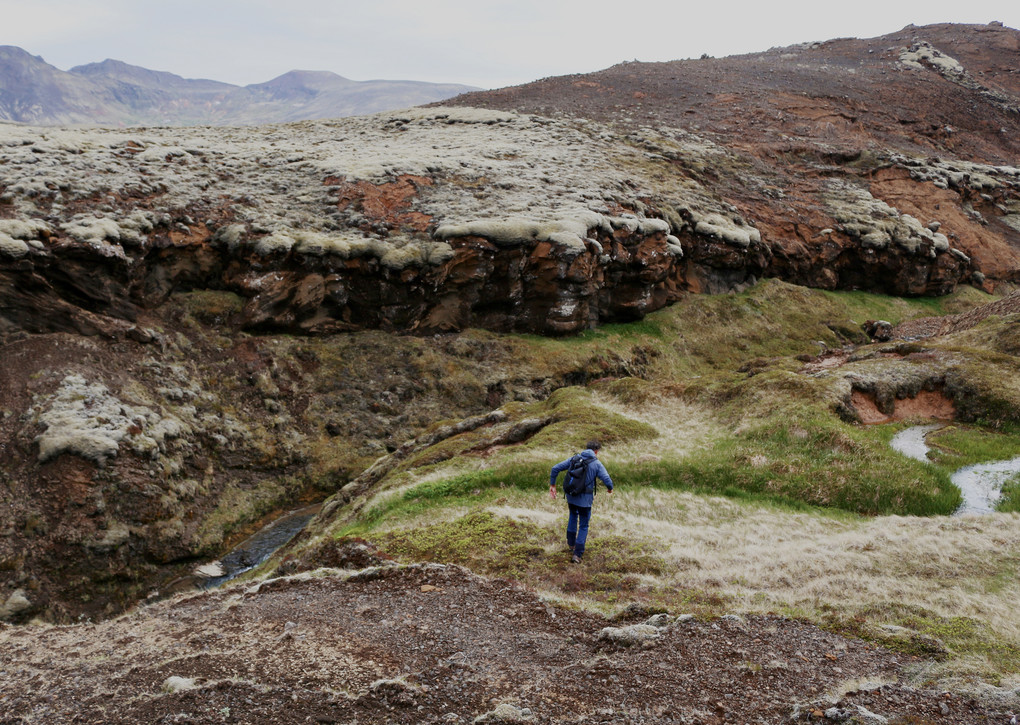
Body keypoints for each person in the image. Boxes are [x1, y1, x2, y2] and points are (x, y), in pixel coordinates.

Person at [549, 440, 613, 563]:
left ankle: (571, 544)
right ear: (596, 451)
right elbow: (606, 479)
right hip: (585, 500)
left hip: (571, 496)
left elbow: (555, 468)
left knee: (573, 515)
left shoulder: (574, 458)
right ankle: (577, 554)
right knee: (584, 524)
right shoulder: (597, 463)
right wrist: (610, 489)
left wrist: (553, 485)